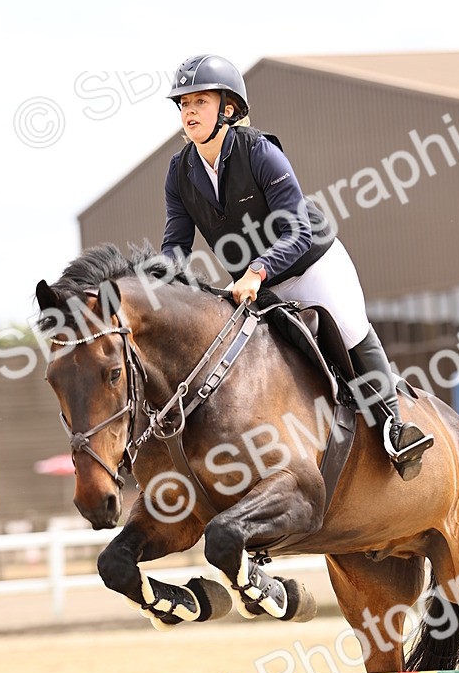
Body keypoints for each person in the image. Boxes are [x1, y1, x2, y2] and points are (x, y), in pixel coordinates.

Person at [161, 53, 433, 478]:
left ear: (228, 109)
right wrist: (160, 286)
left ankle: (396, 428)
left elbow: (298, 232)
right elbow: (175, 245)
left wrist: (255, 270)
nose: (188, 111)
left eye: (199, 101)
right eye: (184, 104)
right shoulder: (180, 172)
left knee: (349, 329)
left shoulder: (260, 152)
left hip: (311, 265)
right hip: (257, 286)